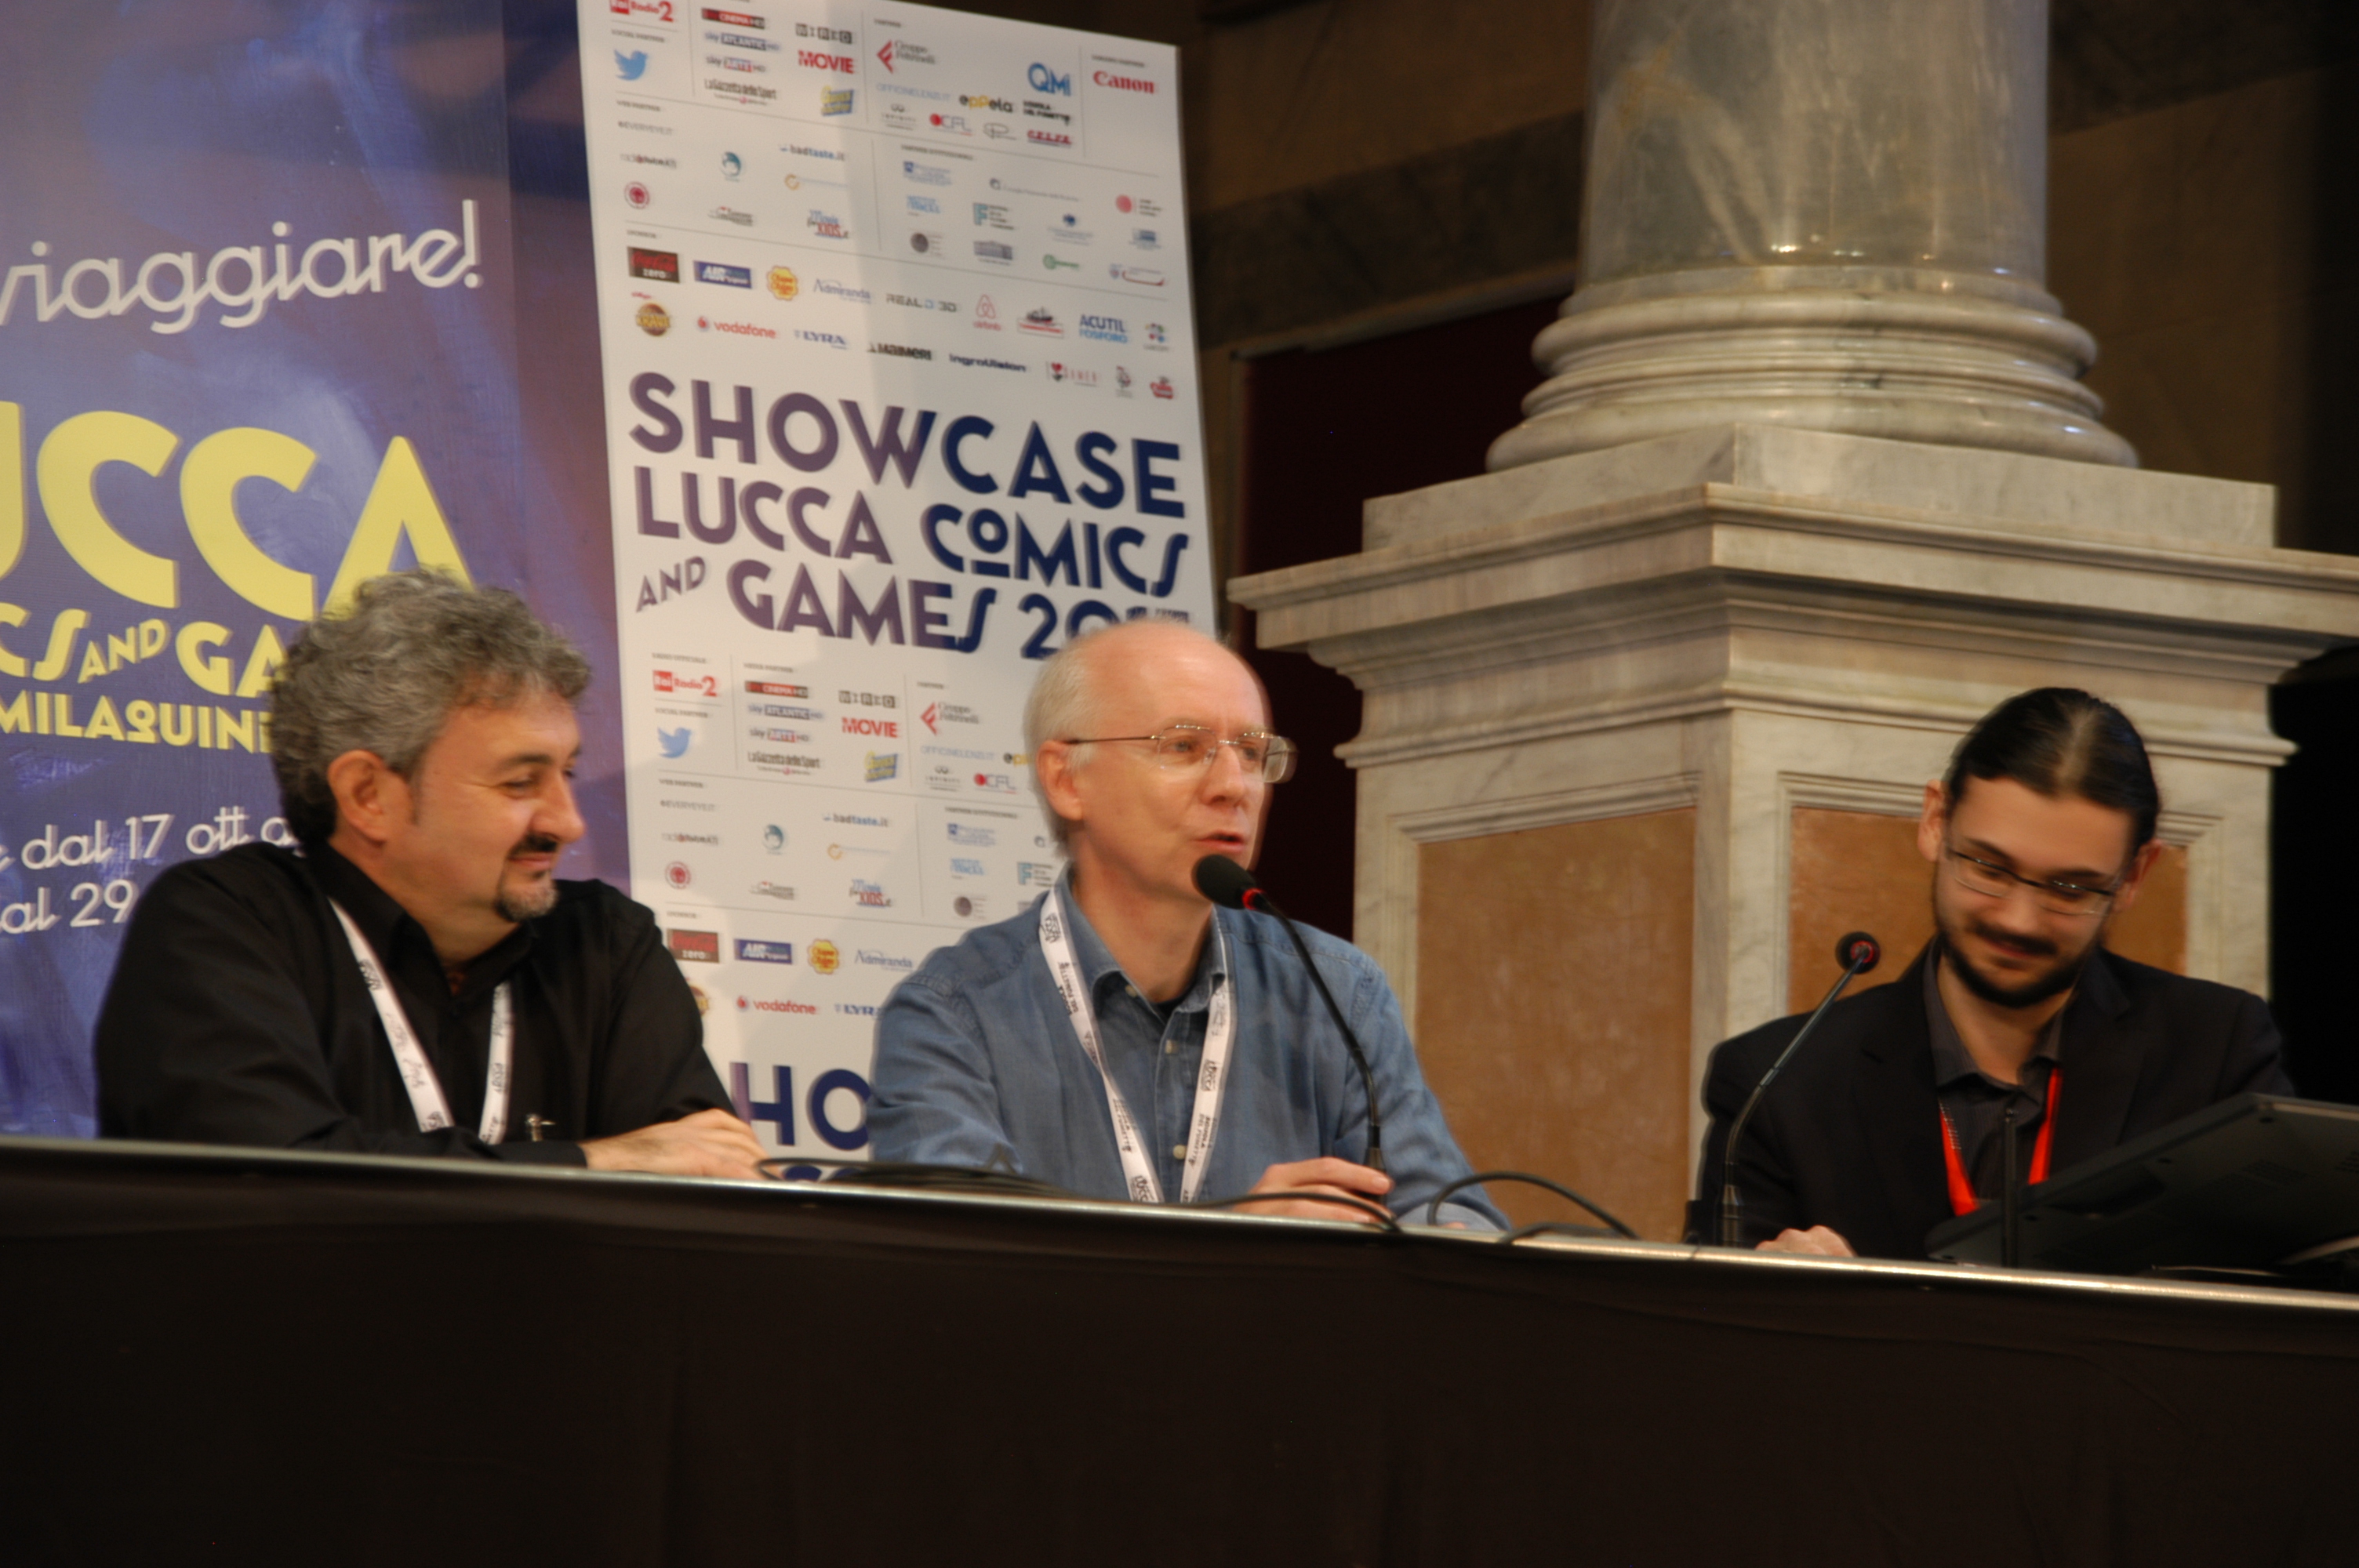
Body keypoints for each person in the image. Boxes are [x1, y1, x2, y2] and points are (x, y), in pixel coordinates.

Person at [96, 572, 765, 1178]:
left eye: (567, 774)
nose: (568, 823)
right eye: (521, 782)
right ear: (368, 795)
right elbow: (271, 1182)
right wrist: (596, 1161)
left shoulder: (605, 944)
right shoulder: (224, 924)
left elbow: (705, 1182)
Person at [869, 619, 1504, 1228]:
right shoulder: (953, 1015)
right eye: (1183, 747)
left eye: (1252, 753)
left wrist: (1435, 1240)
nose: (1234, 786)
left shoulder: (1336, 994)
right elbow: (967, 1264)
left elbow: (1452, 1219)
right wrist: (1234, 1245)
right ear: (1066, 780)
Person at [1689, 688, 2292, 1259]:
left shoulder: (2216, 1051)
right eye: (1989, 868)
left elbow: (2285, 1292)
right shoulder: (1779, 1084)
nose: (2019, 920)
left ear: (2134, 875)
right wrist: (1782, 1288)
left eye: (2070, 888)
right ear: (1935, 821)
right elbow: (1714, 1322)